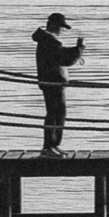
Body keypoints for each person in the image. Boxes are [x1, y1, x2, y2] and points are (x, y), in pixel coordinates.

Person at [31, 11, 85, 152]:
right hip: (53, 82)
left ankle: (53, 146)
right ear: (53, 25)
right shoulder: (50, 41)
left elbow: (60, 53)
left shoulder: (46, 39)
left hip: (50, 82)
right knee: (56, 114)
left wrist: (76, 49)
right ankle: (49, 147)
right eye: (61, 27)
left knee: (56, 114)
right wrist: (79, 49)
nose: (62, 30)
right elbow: (65, 60)